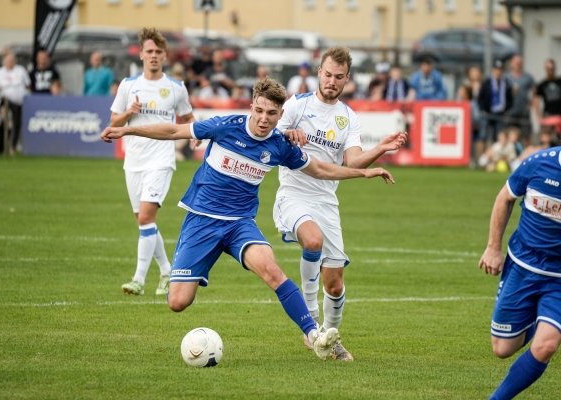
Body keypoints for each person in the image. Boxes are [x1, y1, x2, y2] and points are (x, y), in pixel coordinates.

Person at [100, 77, 397, 361]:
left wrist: (364, 172)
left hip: (240, 224)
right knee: (178, 302)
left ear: (280, 114)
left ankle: (314, 335)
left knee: (272, 271)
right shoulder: (225, 126)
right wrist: (127, 131)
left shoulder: (280, 145)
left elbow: (320, 169)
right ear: (252, 105)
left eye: (271, 113)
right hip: (202, 220)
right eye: (259, 110)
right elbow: (174, 131)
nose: (263, 118)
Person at [273, 47, 407, 361]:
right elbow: (270, 135)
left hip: (326, 201)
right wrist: (287, 134)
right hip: (292, 194)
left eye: (339, 77)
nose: (332, 81)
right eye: (328, 75)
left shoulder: (348, 118)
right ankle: (310, 323)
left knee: (334, 284)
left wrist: (381, 149)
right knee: (313, 240)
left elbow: (353, 160)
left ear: (347, 79)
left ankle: (331, 340)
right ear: (319, 72)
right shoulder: (297, 105)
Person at [109, 28, 196, 296]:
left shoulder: (175, 88)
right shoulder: (128, 85)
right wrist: (129, 112)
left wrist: (195, 136)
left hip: (161, 161)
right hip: (133, 162)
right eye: (150, 51)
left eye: (159, 52)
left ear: (165, 56)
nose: (154, 56)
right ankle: (168, 272)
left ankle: (138, 279)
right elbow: (114, 123)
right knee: (145, 223)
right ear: (142, 54)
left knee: (146, 217)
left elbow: (189, 118)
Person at [478, 144, 561, 400]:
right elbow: (504, 198)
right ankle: (541, 319)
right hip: (523, 266)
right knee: (502, 348)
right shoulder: (538, 163)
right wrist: (493, 248)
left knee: (547, 344)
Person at [0, 52, 30, 155]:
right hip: (4, 99)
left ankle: (12, 146)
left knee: (17, 123)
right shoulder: (0, 72)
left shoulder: (21, 71)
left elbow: (28, 85)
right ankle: (5, 121)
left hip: (18, 101)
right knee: (4, 121)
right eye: (8, 61)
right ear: (4, 62)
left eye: (12, 61)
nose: (10, 63)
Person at [477, 59, 514, 159]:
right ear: (493, 70)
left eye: (500, 69)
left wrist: (507, 109)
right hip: (487, 113)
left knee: (498, 137)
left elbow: (510, 98)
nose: (498, 71)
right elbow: (480, 97)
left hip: (500, 114)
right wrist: (482, 109)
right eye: (496, 69)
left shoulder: (506, 83)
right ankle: (481, 159)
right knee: (483, 136)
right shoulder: (487, 82)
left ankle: (495, 158)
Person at [504, 55, 535, 144]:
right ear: (511, 64)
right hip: (510, 111)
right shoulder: (506, 77)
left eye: (520, 63)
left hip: (524, 111)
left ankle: (528, 155)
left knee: (526, 135)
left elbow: (534, 92)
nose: (518, 64)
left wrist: (531, 104)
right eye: (516, 63)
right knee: (510, 135)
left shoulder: (528, 77)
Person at [534, 59, 561, 124]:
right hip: (548, 115)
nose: (551, 71)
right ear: (545, 69)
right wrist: (539, 117)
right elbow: (536, 101)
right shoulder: (542, 84)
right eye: (548, 68)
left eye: (552, 68)